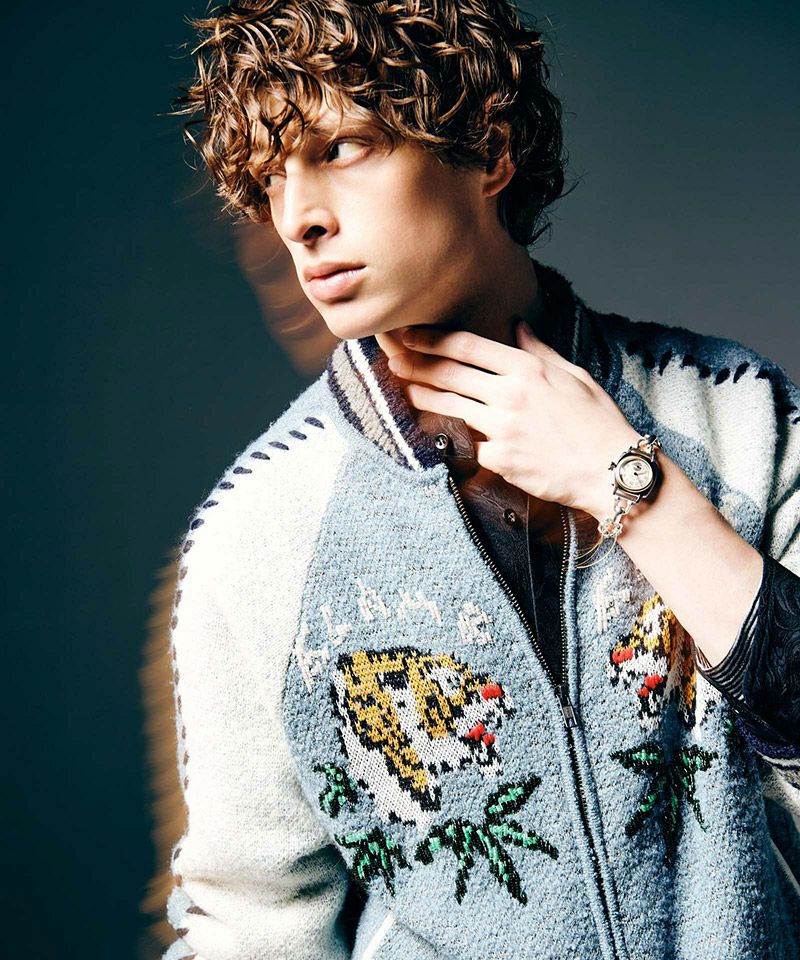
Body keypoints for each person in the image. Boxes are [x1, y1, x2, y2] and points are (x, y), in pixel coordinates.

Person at [159, 2, 800, 958]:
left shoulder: (740, 416)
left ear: (489, 150)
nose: (298, 218)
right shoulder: (261, 529)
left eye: (342, 147)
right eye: (270, 176)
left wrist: (634, 488)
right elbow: (251, 926)